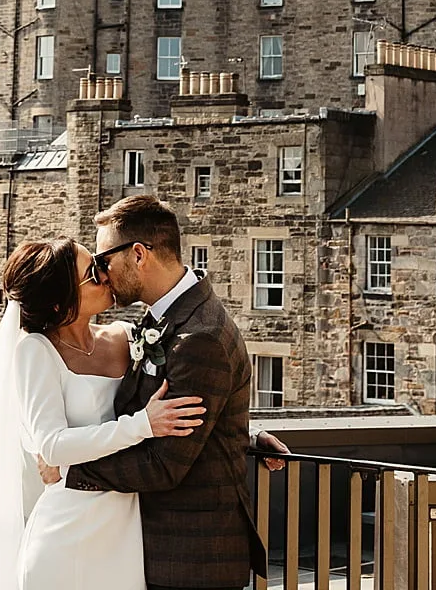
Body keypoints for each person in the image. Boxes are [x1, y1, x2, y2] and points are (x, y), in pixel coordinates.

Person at [0, 236, 206, 590]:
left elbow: (188, 392)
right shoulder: (36, 352)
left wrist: (249, 437)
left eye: (98, 265)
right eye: (92, 274)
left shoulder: (126, 336)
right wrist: (142, 425)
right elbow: (52, 447)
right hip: (65, 534)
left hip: (124, 533)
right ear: (58, 303)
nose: (105, 275)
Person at [64, 195, 272, 590]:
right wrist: (244, 436)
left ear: (139, 254)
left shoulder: (199, 335)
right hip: (165, 554)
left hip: (189, 558)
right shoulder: (170, 317)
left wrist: (68, 470)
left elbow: (164, 465)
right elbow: (188, 420)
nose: (102, 274)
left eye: (103, 260)